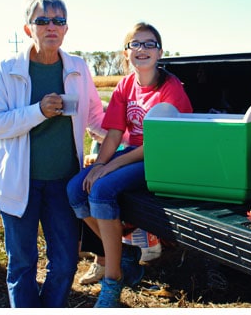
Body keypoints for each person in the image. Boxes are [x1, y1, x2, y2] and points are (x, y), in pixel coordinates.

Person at [0, 0, 106, 307]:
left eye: (59, 21)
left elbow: (94, 117)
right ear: (28, 29)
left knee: (65, 263)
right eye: (43, 20)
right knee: (22, 265)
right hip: (18, 184)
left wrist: (132, 136)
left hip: (64, 183)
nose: (52, 27)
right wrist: (38, 111)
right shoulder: (8, 69)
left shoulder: (77, 66)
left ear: (66, 29)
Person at [67, 22, 193, 307]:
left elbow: (159, 146)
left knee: (101, 191)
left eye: (149, 44)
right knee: (75, 189)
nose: (142, 49)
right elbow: (113, 133)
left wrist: (110, 167)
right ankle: (123, 255)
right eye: (135, 44)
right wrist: (100, 163)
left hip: (163, 158)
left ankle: (113, 280)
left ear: (160, 52)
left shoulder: (170, 88)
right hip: (132, 151)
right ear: (126, 53)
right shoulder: (125, 85)